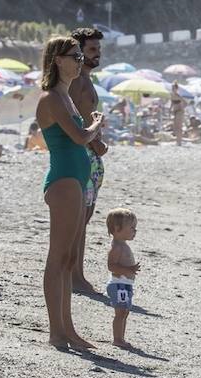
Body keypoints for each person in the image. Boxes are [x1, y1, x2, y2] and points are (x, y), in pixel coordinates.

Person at [36, 35, 105, 351]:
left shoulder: (64, 95)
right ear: (57, 60)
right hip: (63, 180)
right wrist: (95, 125)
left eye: (81, 56)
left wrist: (92, 134)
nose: (80, 61)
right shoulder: (50, 98)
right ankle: (57, 331)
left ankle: (68, 329)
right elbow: (78, 137)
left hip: (76, 178)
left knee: (68, 257)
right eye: (75, 56)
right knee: (58, 256)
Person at [65, 28, 108, 292]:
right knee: (79, 220)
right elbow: (78, 119)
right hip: (85, 153)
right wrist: (96, 143)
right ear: (78, 52)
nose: (97, 55)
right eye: (91, 50)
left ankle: (77, 274)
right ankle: (74, 276)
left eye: (98, 50)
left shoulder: (86, 80)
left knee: (84, 219)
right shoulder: (79, 81)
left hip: (89, 154)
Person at [105, 208, 140, 350]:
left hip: (125, 284)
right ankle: (117, 339)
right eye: (131, 228)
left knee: (125, 311)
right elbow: (111, 266)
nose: (134, 231)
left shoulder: (123, 245)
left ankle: (121, 337)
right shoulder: (116, 247)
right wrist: (128, 270)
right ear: (117, 229)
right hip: (118, 284)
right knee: (120, 312)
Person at [170, 81, 186, 145]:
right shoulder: (172, 95)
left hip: (180, 111)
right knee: (175, 127)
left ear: (177, 89)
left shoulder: (179, 96)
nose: (173, 89)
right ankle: (177, 140)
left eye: (174, 88)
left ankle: (179, 141)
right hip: (175, 111)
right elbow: (172, 103)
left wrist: (181, 107)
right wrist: (170, 109)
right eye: (172, 88)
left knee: (179, 127)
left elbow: (185, 103)